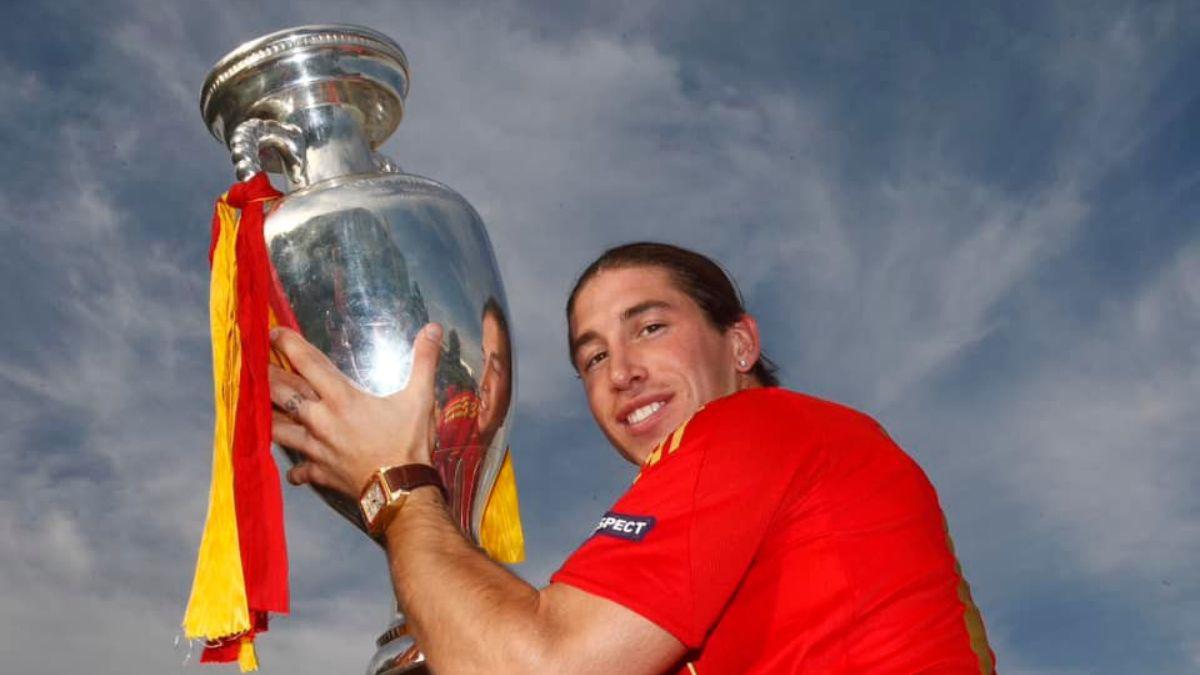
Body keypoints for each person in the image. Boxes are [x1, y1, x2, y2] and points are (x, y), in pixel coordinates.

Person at [269, 242, 996, 673]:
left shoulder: (753, 427)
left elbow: (544, 663)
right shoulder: (760, 512)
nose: (620, 370)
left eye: (649, 326)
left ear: (740, 344)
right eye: (592, 356)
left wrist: (397, 486)